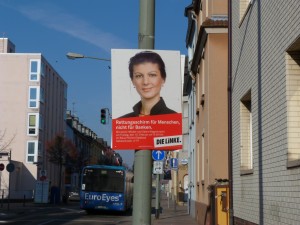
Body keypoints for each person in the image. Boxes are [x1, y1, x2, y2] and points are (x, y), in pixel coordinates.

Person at [120, 51, 176, 118]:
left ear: (163, 79)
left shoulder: (174, 119)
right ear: (132, 81)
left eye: (152, 75)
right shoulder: (122, 121)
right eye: (139, 76)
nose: (145, 82)